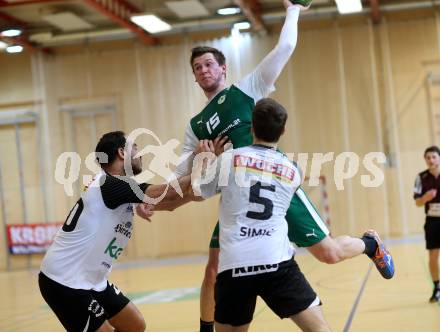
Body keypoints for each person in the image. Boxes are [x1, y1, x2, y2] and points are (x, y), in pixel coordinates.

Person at [170, 0, 395, 330]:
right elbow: (180, 180)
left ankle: (370, 244)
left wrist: (293, 10)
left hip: (274, 186)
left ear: (223, 69)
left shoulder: (246, 89)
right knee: (212, 267)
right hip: (239, 203)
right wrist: (149, 197)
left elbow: (286, 46)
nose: (203, 70)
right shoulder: (196, 126)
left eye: (208, 64)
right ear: (193, 77)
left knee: (328, 253)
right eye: (197, 68)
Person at [39, 131, 200, 332]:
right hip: (64, 281)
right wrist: (202, 168)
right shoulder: (110, 184)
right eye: (136, 147)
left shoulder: (119, 190)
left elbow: (168, 204)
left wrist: (193, 191)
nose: (140, 154)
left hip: (93, 280)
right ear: (122, 152)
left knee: (134, 325)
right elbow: (167, 192)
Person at [193, 98, 331, 331]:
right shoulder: (293, 171)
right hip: (275, 262)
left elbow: (199, 190)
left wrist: (204, 160)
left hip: (235, 265)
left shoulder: (230, 160)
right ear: (283, 131)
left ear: (251, 128)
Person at [414, 145, 440, 303]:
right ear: (425, 160)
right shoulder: (421, 177)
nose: (431, 160)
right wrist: (426, 197)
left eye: (434, 157)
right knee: (433, 255)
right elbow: (417, 202)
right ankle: (437, 287)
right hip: (432, 220)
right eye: (428, 157)